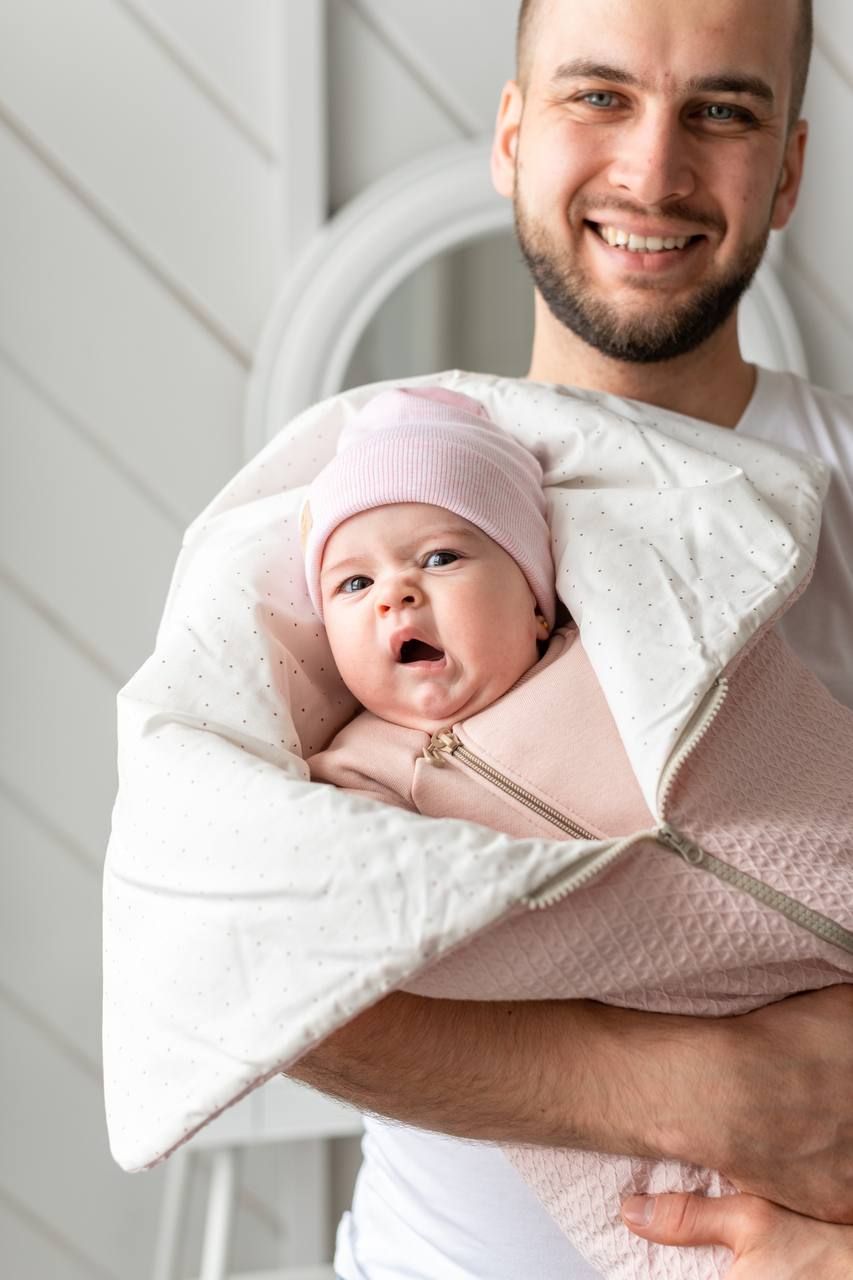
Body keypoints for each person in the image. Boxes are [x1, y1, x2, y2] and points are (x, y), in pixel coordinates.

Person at [283, 1, 853, 1277]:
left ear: (788, 172)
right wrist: (711, 1090)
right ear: (511, 134)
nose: (653, 169)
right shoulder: (350, 523)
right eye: (599, 95)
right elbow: (234, 955)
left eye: (722, 110)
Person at [298, 382, 853, 1278]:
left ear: (534, 599)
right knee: (691, 1230)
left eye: (440, 558)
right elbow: (331, 908)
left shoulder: (618, 654)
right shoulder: (361, 770)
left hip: (792, 939)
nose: (395, 595)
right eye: (353, 584)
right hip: (636, 1059)